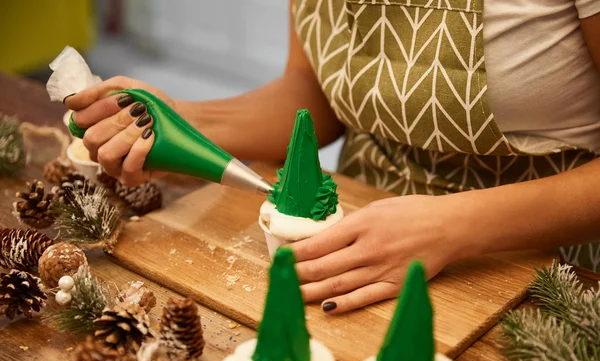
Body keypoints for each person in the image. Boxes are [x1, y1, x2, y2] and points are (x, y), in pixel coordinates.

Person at [64, 0, 600, 314]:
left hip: (554, 262)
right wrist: (189, 125)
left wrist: (453, 226)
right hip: (356, 234)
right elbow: (319, 94)